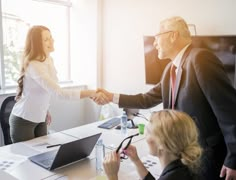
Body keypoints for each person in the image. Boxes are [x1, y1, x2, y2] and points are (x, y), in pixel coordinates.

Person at [94, 16, 236, 180]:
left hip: (208, 157)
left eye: (156, 38)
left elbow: (229, 110)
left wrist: (234, 158)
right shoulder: (170, 68)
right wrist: (111, 96)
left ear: (173, 35)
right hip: (184, 156)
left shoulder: (200, 59)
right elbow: (146, 99)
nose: (154, 43)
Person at [9, 25, 103, 143]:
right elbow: (59, 93)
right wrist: (90, 93)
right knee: (28, 159)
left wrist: (44, 109)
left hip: (40, 117)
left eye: (51, 37)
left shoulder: (48, 60)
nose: (52, 41)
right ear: (37, 44)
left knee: (42, 154)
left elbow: (49, 88)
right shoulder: (34, 65)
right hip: (23, 120)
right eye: (46, 39)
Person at [103, 110, 202, 180]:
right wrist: (136, 161)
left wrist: (112, 176)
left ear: (163, 144)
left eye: (149, 132)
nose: (146, 136)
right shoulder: (184, 167)